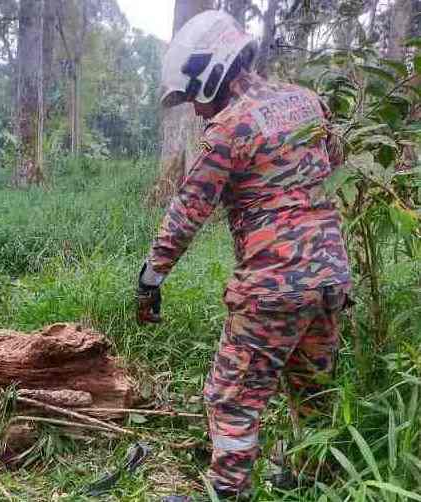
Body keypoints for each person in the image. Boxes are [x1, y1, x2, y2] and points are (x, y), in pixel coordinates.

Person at [135, 11, 351, 501]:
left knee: (231, 397)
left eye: (194, 97)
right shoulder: (308, 102)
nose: (194, 111)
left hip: (272, 288)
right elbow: (333, 168)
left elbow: (188, 211)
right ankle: (313, 479)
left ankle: (226, 493)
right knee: (312, 389)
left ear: (213, 71)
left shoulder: (228, 128)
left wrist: (150, 278)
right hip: (331, 281)